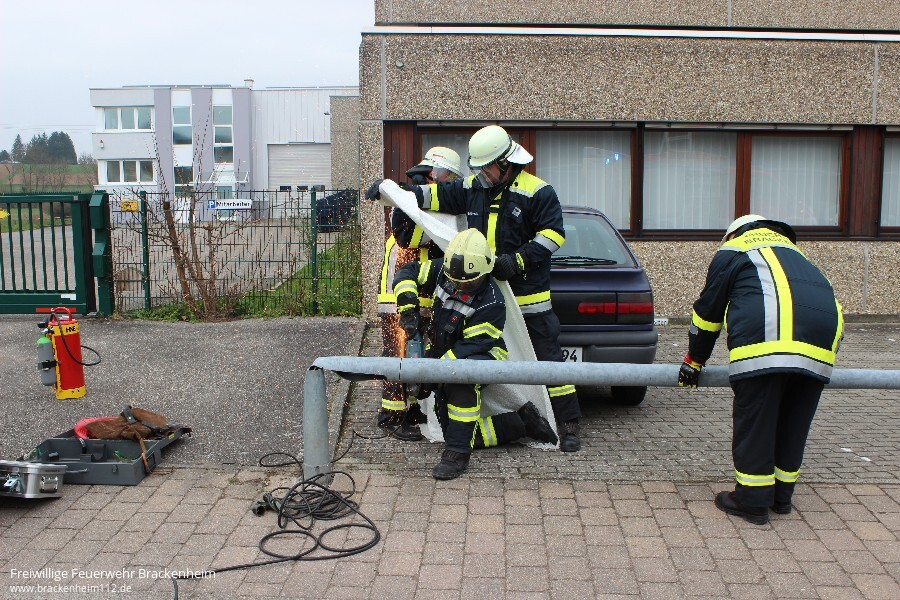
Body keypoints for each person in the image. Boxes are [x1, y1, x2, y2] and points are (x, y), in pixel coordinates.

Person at [402, 125, 582, 452]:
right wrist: (398, 192)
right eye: (480, 168)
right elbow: (439, 196)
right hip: (485, 296)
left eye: (487, 167)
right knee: (483, 358)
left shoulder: (538, 192)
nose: (482, 174)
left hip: (528, 298)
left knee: (549, 362)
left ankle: (568, 425)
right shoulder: (474, 187)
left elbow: (553, 235)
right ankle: (504, 418)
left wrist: (517, 261)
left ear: (506, 163)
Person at [678, 214, 843, 525]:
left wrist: (694, 361)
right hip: (820, 346)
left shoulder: (734, 249)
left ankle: (751, 501)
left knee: (756, 422)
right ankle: (781, 498)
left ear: (733, 234)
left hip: (765, 344)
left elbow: (708, 313)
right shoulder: (795, 254)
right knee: (793, 424)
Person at [393, 228, 559, 480]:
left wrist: (431, 375)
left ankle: (457, 455)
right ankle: (520, 424)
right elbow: (407, 272)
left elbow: (466, 349)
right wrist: (408, 308)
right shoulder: (446, 270)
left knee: (460, 382)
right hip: (450, 351)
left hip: (482, 355)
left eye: (468, 283)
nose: (460, 286)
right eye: (455, 281)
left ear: (484, 272)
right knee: (450, 428)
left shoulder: (492, 302)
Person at [374, 147, 462, 441]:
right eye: (449, 177)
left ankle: (410, 409)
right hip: (398, 294)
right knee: (397, 354)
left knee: (414, 354)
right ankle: (391, 416)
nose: (450, 185)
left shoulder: (421, 199)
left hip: (419, 291)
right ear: (437, 173)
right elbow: (410, 237)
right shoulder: (409, 201)